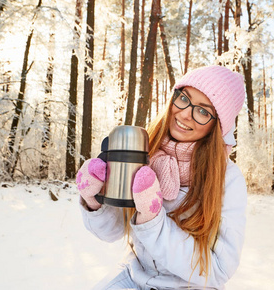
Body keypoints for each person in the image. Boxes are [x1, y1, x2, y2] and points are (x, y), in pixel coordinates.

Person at [76, 65, 247, 290]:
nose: (186, 113)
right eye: (184, 98)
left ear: (217, 126)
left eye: (204, 111)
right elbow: (112, 233)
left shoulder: (228, 179)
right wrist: (94, 200)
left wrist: (153, 220)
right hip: (136, 277)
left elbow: (218, 269)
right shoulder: (144, 150)